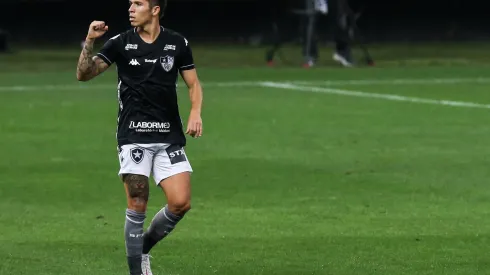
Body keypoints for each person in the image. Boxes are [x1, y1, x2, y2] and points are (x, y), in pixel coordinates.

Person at [75, 0, 203, 274]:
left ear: (155, 9)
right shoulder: (120, 42)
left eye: (138, 3)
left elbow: (193, 83)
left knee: (180, 203)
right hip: (134, 135)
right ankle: (137, 269)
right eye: (130, 3)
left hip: (168, 136)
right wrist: (90, 40)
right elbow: (83, 74)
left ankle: (142, 247)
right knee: (137, 200)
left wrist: (195, 112)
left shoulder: (177, 43)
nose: (131, 8)